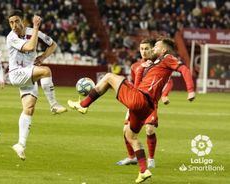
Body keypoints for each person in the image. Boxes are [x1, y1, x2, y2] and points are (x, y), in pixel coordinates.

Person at [68, 37, 195, 183]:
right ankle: (143, 170)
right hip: (145, 107)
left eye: (155, 47)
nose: (152, 49)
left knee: (109, 76)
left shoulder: (167, 58)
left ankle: (83, 105)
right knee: (130, 135)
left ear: (163, 50)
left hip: (141, 100)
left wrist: (190, 90)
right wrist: (142, 68)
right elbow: (138, 84)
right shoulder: (150, 64)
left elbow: (184, 68)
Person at [6, 10, 67, 160]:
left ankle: (20, 144)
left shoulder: (32, 32)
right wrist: (36, 27)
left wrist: (43, 56)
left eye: (16, 21)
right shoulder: (11, 37)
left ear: (23, 21)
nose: (14, 25)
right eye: (11, 22)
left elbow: (53, 45)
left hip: (29, 73)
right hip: (16, 73)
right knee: (46, 71)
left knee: (29, 108)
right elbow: (30, 47)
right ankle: (53, 105)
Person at [116, 38, 174, 168]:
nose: (144, 51)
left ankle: (151, 159)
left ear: (153, 49)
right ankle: (132, 157)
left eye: (147, 48)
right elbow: (133, 85)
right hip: (135, 100)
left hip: (150, 103)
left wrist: (164, 95)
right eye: (141, 49)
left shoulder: (159, 63)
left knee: (149, 129)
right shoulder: (135, 66)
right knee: (126, 130)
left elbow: (169, 81)